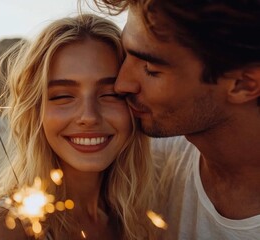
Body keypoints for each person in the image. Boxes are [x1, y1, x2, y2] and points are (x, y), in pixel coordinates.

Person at [0, 14, 157, 240]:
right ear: (34, 111)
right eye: (63, 96)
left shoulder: (140, 216)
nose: (89, 116)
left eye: (110, 94)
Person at [85, 0, 260, 239]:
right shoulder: (142, 164)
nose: (121, 84)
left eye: (150, 68)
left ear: (244, 84)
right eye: (126, 55)